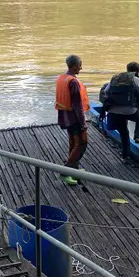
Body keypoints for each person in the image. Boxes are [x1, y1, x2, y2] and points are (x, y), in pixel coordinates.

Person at [101, 62, 139, 160]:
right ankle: (137, 136)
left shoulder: (115, 78)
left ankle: (126, 156)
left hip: (114, 111)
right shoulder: (136, 80)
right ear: (138, 71)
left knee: (124, 133)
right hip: (130, 110)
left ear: (127, 69)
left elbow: (105, 92)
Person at [55, 55, 90, 187]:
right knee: (82, 143)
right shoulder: (73, 82)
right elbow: (77, 106)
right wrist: (83, 123)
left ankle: (73, 169)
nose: (81, 68)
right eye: (80, 65)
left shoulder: (61, 78)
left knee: (73, 142)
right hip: (74, 118)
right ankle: (66, 171)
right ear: (74, 65)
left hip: (65, 117)